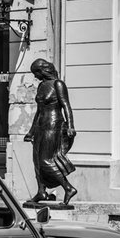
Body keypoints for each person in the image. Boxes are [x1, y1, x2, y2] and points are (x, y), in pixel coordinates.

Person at [23, 58, 78, 205]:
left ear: (43, 70)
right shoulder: (41, 86)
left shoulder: (58, 84)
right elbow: (39, 111)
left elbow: (66, 105)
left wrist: (71, 126)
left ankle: (68, 188)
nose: (35, 77)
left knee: (46, 160)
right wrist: (31, 131)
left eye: (36, 73)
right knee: (36, 162)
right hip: (41, 127)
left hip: (53, 126)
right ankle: (41, 192)